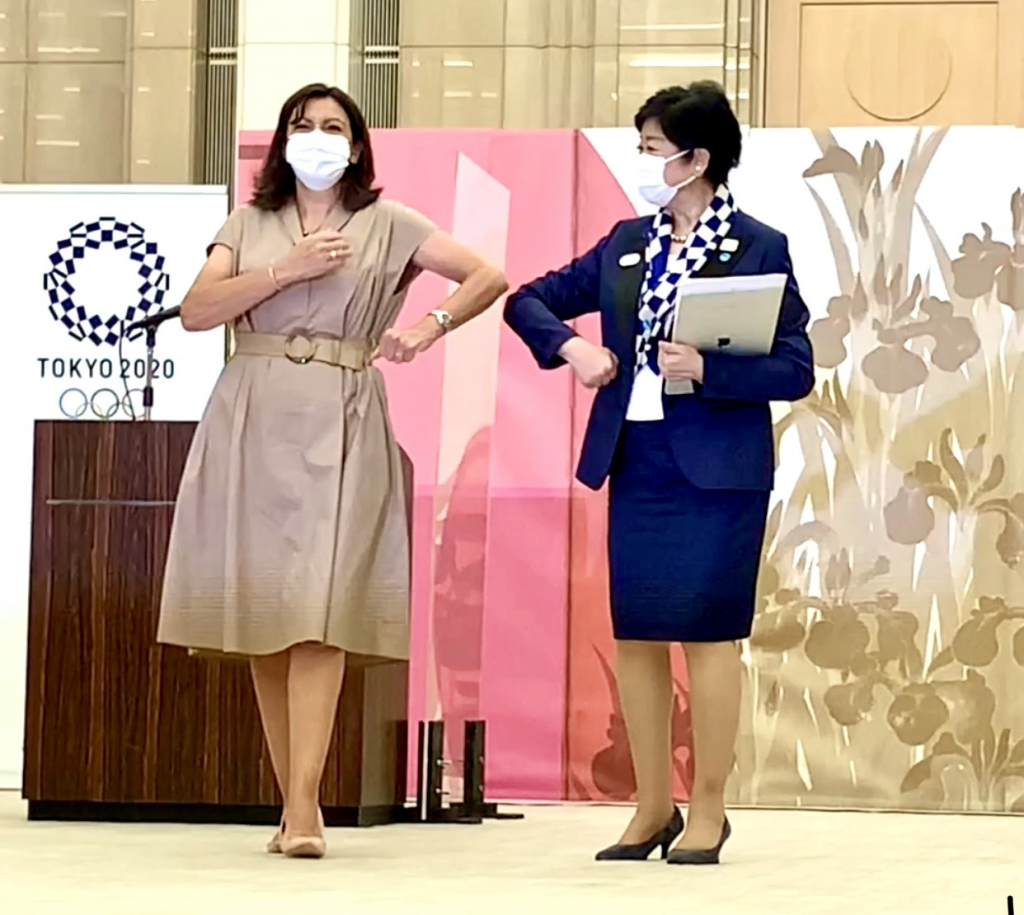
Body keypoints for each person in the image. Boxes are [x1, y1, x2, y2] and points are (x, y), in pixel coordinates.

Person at [156, 83, 508, 859]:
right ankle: (292, 801)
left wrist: (425, 327)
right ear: (283, 141)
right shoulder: (247, 225)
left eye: (333, 126)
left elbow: (487, 275)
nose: (316, 136)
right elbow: (197, 310)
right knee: (265, 617)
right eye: (302, 125)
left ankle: (307, 804)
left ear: (356, 146)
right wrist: (285, 271)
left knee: (320, 609)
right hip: (251, 409)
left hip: (344, 412)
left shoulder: (391, 223)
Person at [504, 82, 813, 865]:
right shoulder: (623, 242)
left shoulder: (758, 246)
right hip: (636, 461)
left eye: (652, 147)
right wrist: (573, 349)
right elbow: (528, 300)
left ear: (696, 158)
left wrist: (708, 368)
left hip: (717, 475)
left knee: (709, 637)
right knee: (638, 634)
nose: (643, 159)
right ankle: (650, 806)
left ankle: (708, 806)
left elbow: (795, 368)